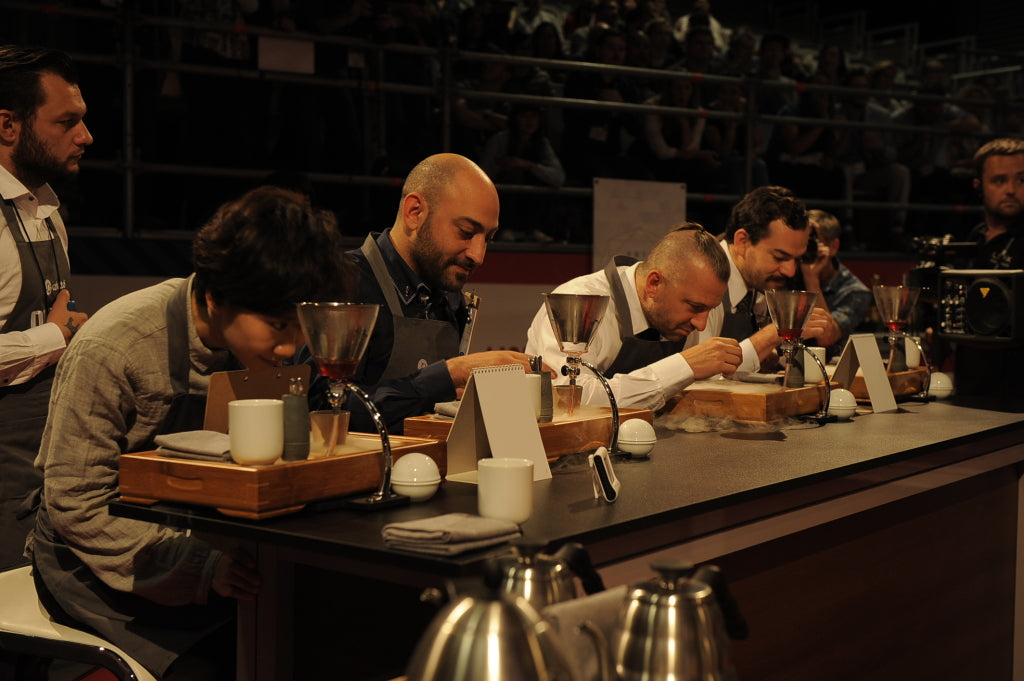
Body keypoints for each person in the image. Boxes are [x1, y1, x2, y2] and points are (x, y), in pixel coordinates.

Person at [28, 186, 354, 679]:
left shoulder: (261, 347)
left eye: (298, 327)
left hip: (209, 548)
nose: (291, 348)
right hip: (97, 559)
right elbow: (75, 502)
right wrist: (203, 566)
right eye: (275, 326)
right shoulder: (117, 347)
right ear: (216, 297)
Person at [311, 153, 543, 434]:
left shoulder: (449, 295)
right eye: (467, 232)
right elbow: (325, 411)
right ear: (414, 212)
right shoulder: (342, 284)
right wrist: (446, 376)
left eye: (488, 239)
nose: (478, 255)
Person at [0, 45, 92, 571]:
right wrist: (56, 339)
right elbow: (56, 331)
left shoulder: (48, 212)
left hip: (36, 473)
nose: (86, 136)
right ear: (8, 126)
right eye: (67, 121)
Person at [525, 224, 742, 410]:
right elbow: (569, 400)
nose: (702, 325)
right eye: (695, 307)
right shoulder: (578, 300)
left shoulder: (688, 318)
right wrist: (683, 367)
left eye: (710, 310)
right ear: (654, 284)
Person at [684, 186, 838, 371]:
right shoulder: (701, 277)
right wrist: (775, 333)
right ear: (742, 241)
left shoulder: (757, 279)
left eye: (797, 259)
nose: (790, 271)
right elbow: (700, 372)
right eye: (779, 257)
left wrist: (763, 356)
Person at [951, 138, 1024, 400]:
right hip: (970, 387)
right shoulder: (976, 236)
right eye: (999, 180)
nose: (1012, 190)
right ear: (979, 186)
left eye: (1021, 180)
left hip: (1015, 396)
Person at [791, 209, 872, 360]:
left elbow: (825, 336)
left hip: (830, 370)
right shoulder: (788, 270)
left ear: (833, 246)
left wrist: (811, 279)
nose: (805, 250)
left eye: (812, 243)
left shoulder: (855, 291)